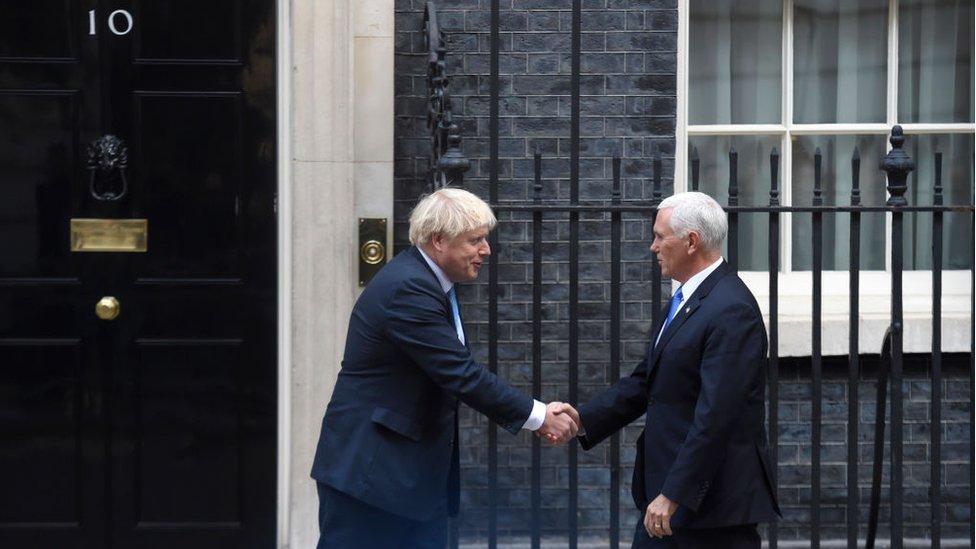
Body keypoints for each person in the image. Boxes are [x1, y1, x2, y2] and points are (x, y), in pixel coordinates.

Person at [310, 188, 578, 549]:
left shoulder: (430, 284)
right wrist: (540, 415)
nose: (486, 250)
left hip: (407, 479)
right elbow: (461, 374)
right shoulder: (409, 289)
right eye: (475, 240)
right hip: (372, 480)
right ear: (438, 240)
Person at [565, 192, 780, 548]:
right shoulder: (690, 299)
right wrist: (581, 419)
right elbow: (648, 381)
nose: (653, 247)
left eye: (660, 236)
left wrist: (674, 494)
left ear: (691, 241)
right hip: (672, 500)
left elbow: (716, 417)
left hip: (710, 510)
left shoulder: (730, 309)